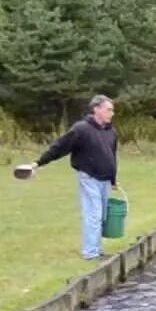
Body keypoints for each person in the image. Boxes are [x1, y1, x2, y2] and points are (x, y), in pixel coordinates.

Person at [29, 95, 119, 260]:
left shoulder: (111, 131)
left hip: (105, 179)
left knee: (102, 216)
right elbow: (60, 147)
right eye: (109, 109)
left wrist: (113, 179)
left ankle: (97, 249)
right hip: (89, 177)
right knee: (94, 214)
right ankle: (90, 253)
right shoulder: (81, 129)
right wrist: (38, 163)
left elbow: (112, 155)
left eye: (112, 110)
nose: (112, 113)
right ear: (96, 109)